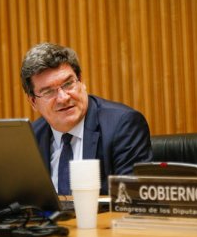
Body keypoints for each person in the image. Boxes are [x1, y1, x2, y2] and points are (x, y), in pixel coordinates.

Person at [21, 43, 153, 195]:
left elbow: (131, 202)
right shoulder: (30, 139)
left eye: (68, 84)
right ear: (33, 102)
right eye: (49, 91)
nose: (63, 98)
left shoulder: (123, 126)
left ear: (81, 81)